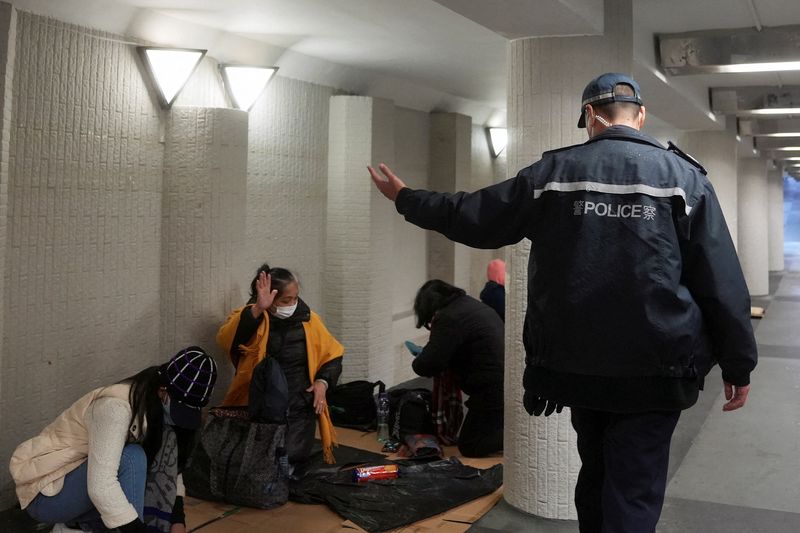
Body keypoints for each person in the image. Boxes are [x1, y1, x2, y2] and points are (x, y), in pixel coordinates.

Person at [368, 72, 757, 533]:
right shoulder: (685, 179)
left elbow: (474, 215)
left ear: (590, 116)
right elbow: (720, 282)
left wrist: (407, 198)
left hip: (577, 367)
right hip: (657, 369)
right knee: (634, 486)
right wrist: (738, 364)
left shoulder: (552, 175)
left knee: (594, 474)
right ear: (641, 116)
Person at [9, 347, 218, 533]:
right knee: (132, 458)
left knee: (166, 443)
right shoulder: (116, 407)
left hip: (84, 490)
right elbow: (101, 485)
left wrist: (176, 520)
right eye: (181, 408)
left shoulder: (158, 416)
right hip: (46, 496)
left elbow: (174, 471)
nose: (181, 418)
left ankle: (83, 525)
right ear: (163, 392)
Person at [217, 263, 344, 466]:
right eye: (286, 300)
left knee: (292, 459)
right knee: (261, 462)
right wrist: (259, 309)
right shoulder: (252, 316)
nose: (293, 304)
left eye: (295, 298)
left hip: (300, 403)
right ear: (271, 297)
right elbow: (227, 340)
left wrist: (322, 382)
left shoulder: (309, 320)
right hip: (260, 403)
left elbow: (333, 354)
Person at [411, 279, 504, 457]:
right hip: (501, 381)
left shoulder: (449, 317)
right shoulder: (470, 305)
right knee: (483, 429)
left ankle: (517, 439)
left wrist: (420, 357)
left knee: (470, 445)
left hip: (490, 390)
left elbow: (427, 365)